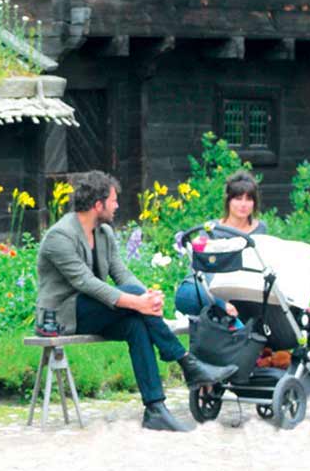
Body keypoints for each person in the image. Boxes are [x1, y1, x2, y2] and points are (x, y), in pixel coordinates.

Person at [36, 170, 238, 432]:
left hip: (93, 309)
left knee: (136, 325)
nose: (117, 206)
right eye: (113, 200)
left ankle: (155, 409)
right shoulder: (60, 236)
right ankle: (186, 362)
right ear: (98, 205)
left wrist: (147, 298)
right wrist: (137, 300)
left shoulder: (103, 232)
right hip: (63, 316)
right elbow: (85, 282)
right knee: (133, 301)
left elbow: (121, 273)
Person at [174, 171, 268, 318]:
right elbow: (202, 271)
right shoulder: (210, 230)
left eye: (248, 199)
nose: (243, 204)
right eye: (238, 199)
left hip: (244, 287)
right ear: (228, 200)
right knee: (187, 294)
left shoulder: (260, 229)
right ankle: (222, 307)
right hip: (211, 285)